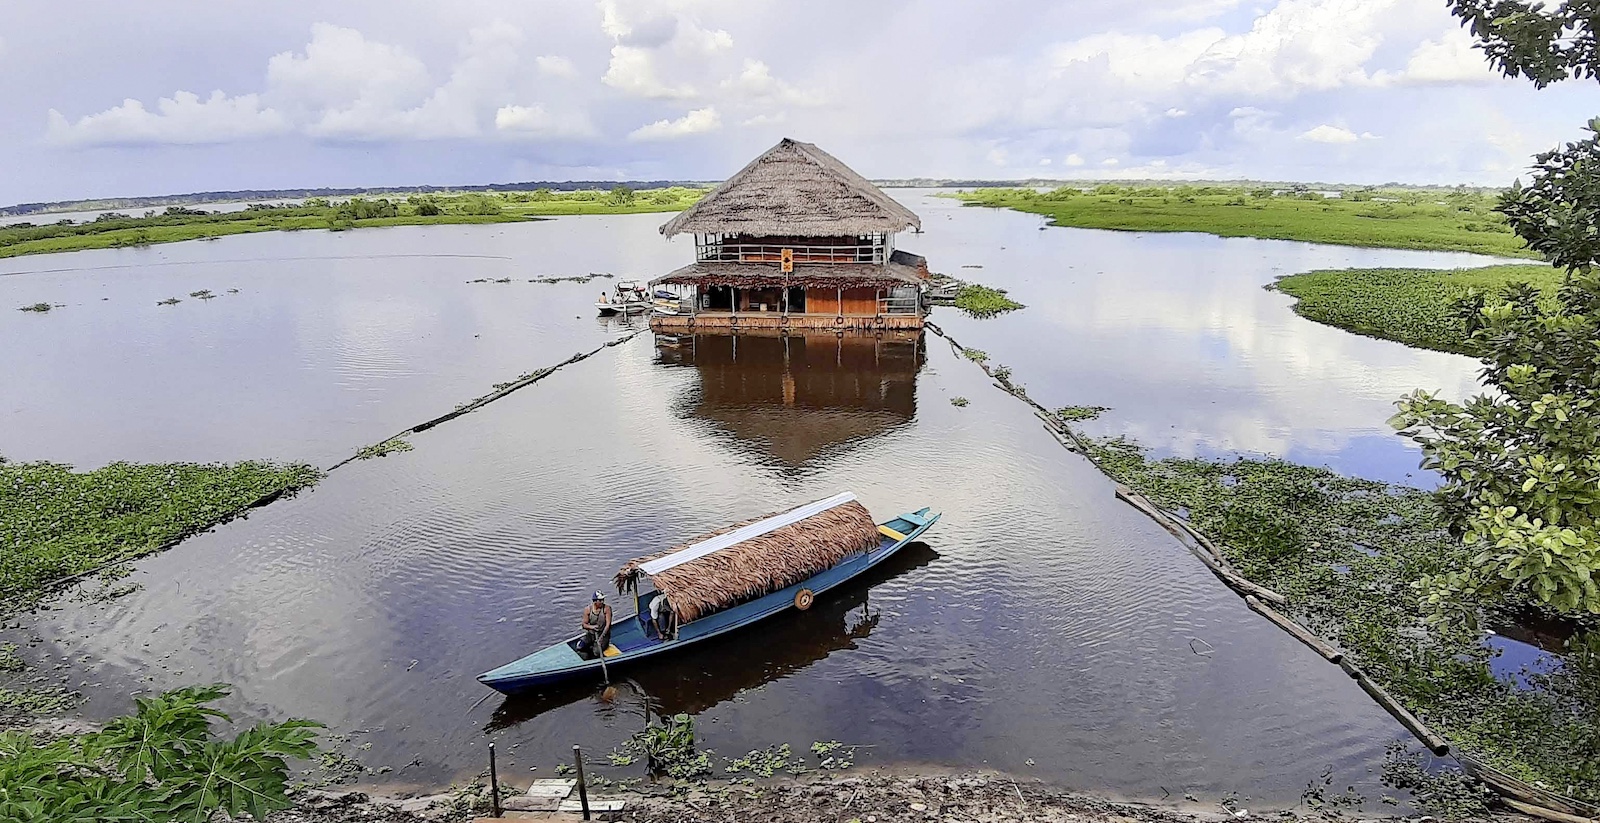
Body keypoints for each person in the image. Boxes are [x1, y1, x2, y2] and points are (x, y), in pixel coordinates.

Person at [579, 591, 612, 659]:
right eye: (600, 600)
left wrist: (601, 637)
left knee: (596, 652)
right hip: (591, 634)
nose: (602, 602)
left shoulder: (607, 609)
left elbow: (608, 625)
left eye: (603, 600)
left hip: (603, 634)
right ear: (595, 601)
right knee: (580, 646)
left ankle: (593, 655)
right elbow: (584, 625)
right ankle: (588, 652)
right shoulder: (588, 609)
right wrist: (592, 627)